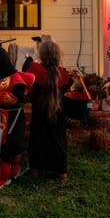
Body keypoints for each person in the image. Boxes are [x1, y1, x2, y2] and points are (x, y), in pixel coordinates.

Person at [0, 45, 34, 189]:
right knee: (1, 148)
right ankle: (3, 177)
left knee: (15, 147)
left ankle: (16, 167)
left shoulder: (15, 77)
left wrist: (2, 97)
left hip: (14, 117)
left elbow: (20, 98)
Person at [22, 37, 72, 180]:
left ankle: (36, 171)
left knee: (37, 140)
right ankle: (61, 172)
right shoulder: (62, 73)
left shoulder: (34, 69)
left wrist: (28, 64)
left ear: (41, 54)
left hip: (39, 113)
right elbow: (68, 84)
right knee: (58, 139)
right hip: (57, 113)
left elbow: (27, 83)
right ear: (58, 55)